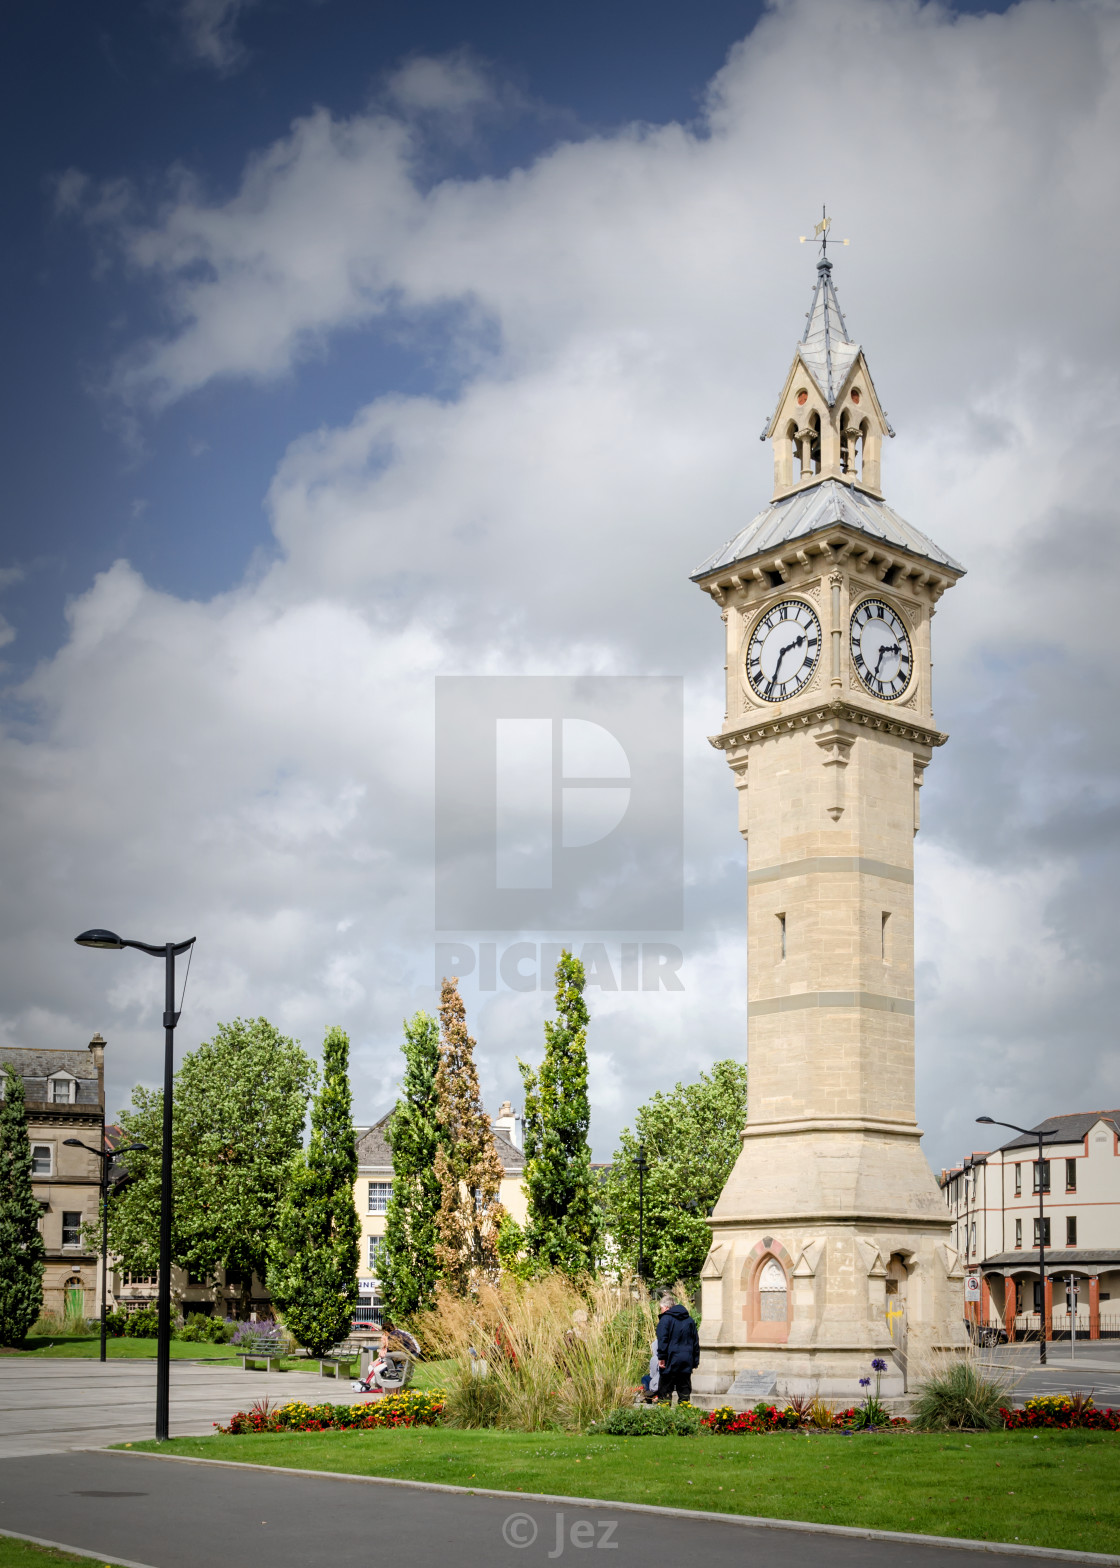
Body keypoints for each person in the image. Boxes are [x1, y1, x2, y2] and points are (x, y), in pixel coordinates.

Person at [654, 1293, 700, 1405]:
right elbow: (695, 1342)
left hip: (670, 1360)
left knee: (665, 1391)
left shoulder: (665, 1319)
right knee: (684, 1392)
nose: (661, 1311)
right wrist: (695, 1360)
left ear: (665, 1307)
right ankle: (684, 1414)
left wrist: (661, 1357)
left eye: (661, 1308)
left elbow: (663, 1340)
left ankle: (664, 1416)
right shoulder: (689, 1320)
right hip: (685, 1361)